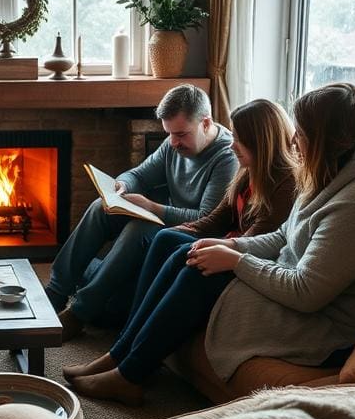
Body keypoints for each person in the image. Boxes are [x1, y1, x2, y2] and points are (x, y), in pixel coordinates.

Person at [75, 83, 355, 405]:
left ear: (322, 140)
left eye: (300, 135)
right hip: (300, 285)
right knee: (187, 249)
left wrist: (236, 261)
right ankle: (121, 354)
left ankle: (130, 375)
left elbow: (307, 293)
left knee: (201, 273)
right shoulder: (334, 173)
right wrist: (226, 248)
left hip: (330, 326)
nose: (293, 143)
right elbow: (285, 235)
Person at [63, 98, 297, 404]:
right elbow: (214, 220)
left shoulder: (285, 184)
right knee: (164, 240)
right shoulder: (246, 172)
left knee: (185, 260)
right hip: (227, 245)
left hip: (244, 261)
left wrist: (200, 241)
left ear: (262, 143)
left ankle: (130, 373)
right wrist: (174, 234)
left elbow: (257, 242)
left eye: (240, 141)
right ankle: (119, 351)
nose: (232, 145)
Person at [46, 84, 239, 339]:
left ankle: (79, 313)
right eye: (169, 133)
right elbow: (139, 174)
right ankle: (55, 294)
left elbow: (207, 219)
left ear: (206, 123)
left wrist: (152, 207)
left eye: (181, 134)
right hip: (166, 219)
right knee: (99, 207)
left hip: (192, 235)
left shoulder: (226, 157)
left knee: (141, 228)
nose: (173, 142)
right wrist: (122, 185)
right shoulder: (174, 143)